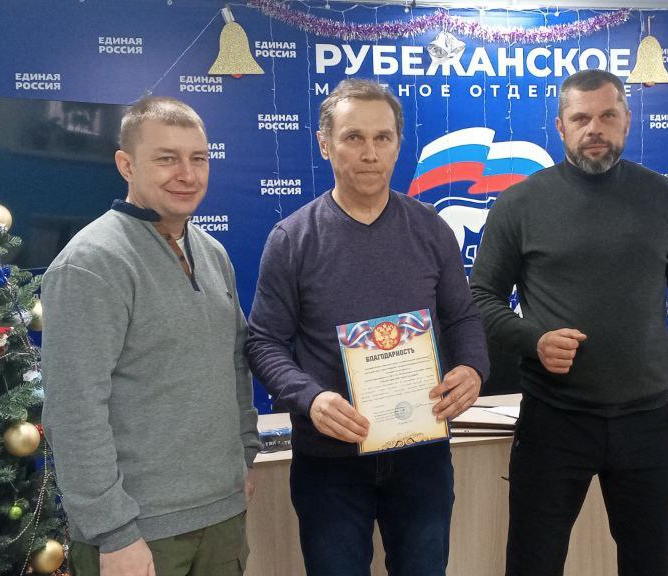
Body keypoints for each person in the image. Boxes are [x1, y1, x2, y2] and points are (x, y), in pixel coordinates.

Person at [469, 69, 668, 576]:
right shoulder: (519, 203)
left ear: (627, 119)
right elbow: (480, 299)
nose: (595, 129)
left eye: (607, 115)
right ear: (561, 127)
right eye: (581, 118)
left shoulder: (666, 199)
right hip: (553, 421)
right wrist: (534, 340)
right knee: (533, 566)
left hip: (648, 422)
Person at [245, 78, 489, 575]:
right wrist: (311, 398)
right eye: (353, 137)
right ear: (325, 144)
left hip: (422, 452)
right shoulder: (292, 239)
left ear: (398, 143)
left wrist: (472, 368)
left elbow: (462, 316)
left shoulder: (432, 229)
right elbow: (264, 341)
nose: (370, 153)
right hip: (328, 461)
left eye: (383, 138)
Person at [41, 96, 260, 576]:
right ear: (126, 165)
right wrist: (113, 532)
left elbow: (234, 365)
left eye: (198, 159)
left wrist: (244, 456)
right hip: (139, 533)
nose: (187, 174)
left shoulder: (213, 253)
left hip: (222, 515)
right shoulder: (91, 263)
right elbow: (74, 409)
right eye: (166, 159)